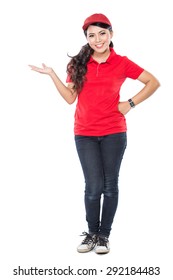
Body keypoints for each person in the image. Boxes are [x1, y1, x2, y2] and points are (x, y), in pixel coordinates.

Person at [29, 13, 160, 254]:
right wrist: (53, 75)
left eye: (102, 33)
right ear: (86, 38)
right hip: (85, 133)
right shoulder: (77, 64)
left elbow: (153, 82)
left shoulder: (122, 62)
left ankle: (104, 236)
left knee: (110, 186)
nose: (98, 39)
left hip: (114, 132)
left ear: (111, 34)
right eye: (92, 35)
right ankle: (91, 233)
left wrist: (129, 104)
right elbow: (70, 99)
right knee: (93, 186)